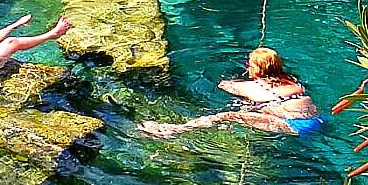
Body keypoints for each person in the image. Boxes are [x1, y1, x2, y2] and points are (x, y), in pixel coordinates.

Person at [138, 47, 326, 138]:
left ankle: (174, 130)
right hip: (319, 119)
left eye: (250, 64)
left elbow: (223, 85)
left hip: (295, 126)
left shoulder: (250, 87)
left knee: (227, 115)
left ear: (255, 68)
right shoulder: (294, 82)